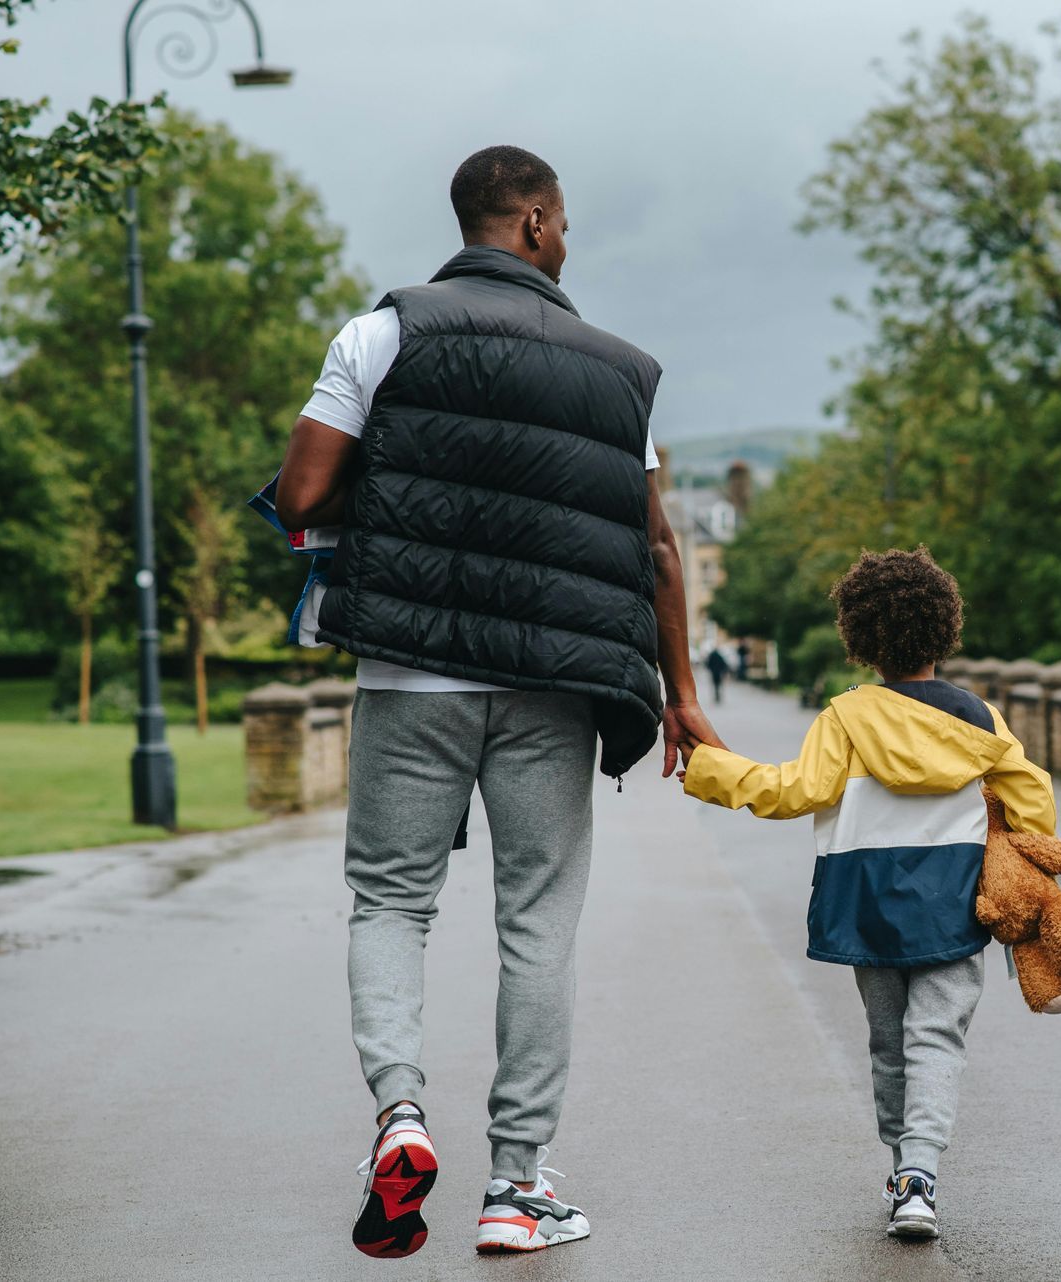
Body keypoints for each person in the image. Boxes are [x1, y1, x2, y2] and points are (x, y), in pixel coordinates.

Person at [271, 145, 722, 1259]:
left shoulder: (380, 334)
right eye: (560, 223)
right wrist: (683, 695)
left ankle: (401, 1115)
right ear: (527, 223)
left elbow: (303, 494)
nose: (565, 242)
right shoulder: (621, 374)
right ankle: (518, 1187)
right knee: (539, 924)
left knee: (389, 900)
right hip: (556, 688)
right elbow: (657, 547)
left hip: (411, 673)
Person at [677, 547, 1055, 1240]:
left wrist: (709, 768)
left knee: (888, 1043)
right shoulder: (980, 720)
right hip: (954, 899)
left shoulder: (846, 718)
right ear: (945, 628)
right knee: (936, 1038)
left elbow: (795, 792)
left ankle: (900, 1170)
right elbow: (1034, 803)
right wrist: (1015, 843)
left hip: (866, 902)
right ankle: (921, 1171)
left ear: (859, 636)